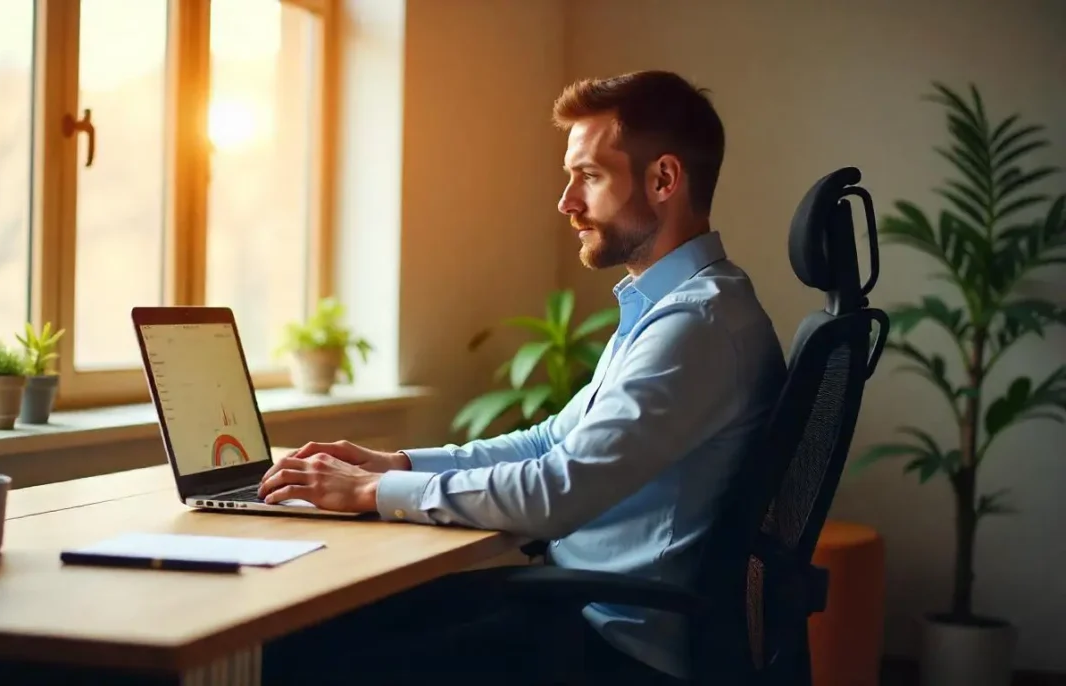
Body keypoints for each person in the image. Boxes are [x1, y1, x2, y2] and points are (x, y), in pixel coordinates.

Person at [257, 70, 786, 685]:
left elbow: (555, 493)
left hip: (608, 642)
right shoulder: (675, 309)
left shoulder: (697, 325)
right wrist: (395, 465)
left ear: (664, 179)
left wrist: (368, 493)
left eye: (588, 176)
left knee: (305, 655)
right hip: (574, 606)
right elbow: (548, 443)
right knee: (323, 632)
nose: (566, 201)